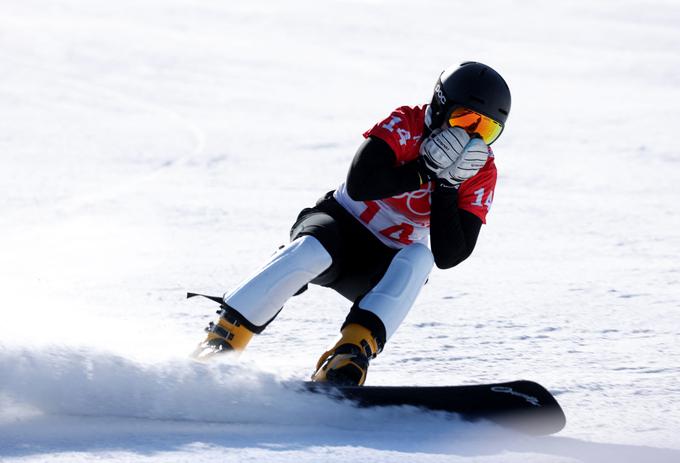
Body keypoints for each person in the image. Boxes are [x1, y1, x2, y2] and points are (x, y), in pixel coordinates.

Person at [192, 61, 511, 386]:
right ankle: (224, 339)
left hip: (381, 263)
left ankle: (349, 355)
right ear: (441, 106)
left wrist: (447, 187)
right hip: (338, 226)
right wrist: (423, 170)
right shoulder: (407, 123)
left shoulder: (481, 171)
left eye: (486, 130)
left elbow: (449, 256)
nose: (471, 136)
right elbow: (360, 185)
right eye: (465, 119)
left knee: (421, 257)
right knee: (313, 251)